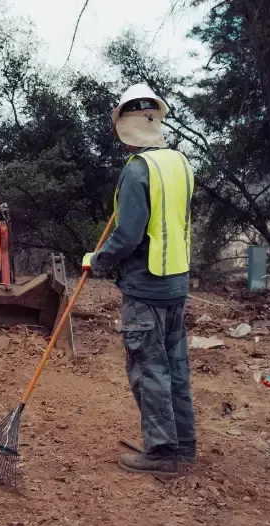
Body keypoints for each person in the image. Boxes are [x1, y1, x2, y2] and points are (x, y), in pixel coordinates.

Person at [83, 84, 197, 479]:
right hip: (176, 284)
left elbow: (129, 234)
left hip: (145, 287)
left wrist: (99, 261)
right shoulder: (181, 162)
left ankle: (163, 452)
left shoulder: (137, 170)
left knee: (150, 370)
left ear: (125, 128)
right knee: (175, 367)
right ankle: (183, 446)